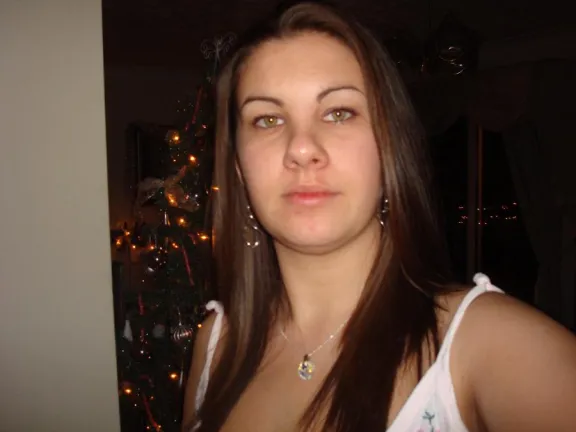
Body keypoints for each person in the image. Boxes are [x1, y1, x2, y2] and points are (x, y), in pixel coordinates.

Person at [182, 2, 576, 431]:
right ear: (239, 168)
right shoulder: (215, 345)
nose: (301, 148)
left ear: (389, 151)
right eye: (268, 119)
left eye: (339, 113)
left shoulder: (493, 347)